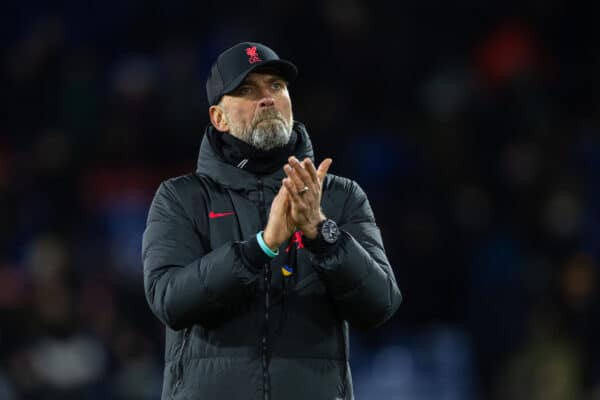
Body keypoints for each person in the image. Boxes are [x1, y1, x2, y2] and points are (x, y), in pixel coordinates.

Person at [142, 41, 402, 400]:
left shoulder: (340, 197)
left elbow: (380, 305)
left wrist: (323, 235)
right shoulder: (182, 198)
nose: (266, 98)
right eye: (247, 90)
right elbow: (169, 300)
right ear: (218, 117)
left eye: (276, 86)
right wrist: (261, 247)